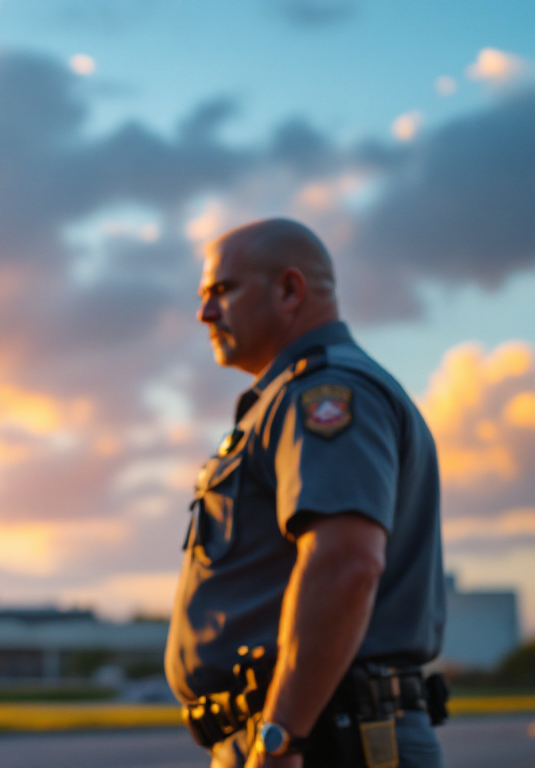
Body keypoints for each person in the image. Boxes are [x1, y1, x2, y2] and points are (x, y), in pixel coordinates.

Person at [165, 218, 447, 768]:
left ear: (290, 290)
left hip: (323, 741)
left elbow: (345, 562)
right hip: (307, 736)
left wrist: (279, 739)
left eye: (223, 290)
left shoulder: (325, 394)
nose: (205, 313)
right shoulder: (283, 399)